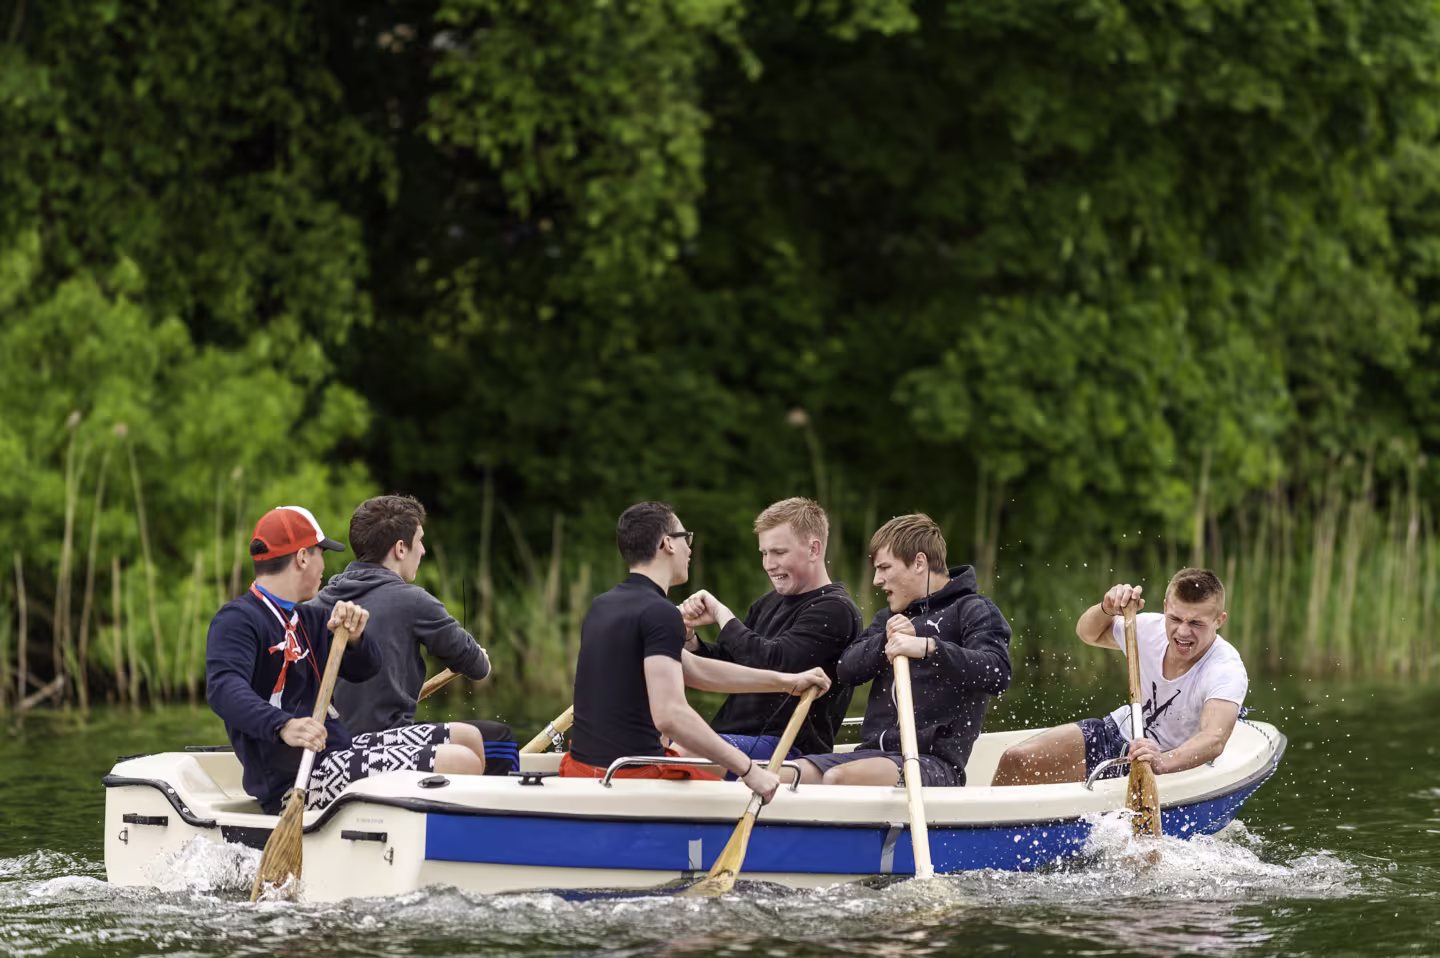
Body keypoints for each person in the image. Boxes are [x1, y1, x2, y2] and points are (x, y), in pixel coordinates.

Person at [205, 505, 486, 814]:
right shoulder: (238, 619)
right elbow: (224, 689)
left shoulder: (309, 619)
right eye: (320, 554)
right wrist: (283, 725)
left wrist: (355, 639)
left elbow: (366, 668)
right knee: (461, 762)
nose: (324, 565)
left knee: (469, 738)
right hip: (297, 779)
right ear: (302, 558)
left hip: (339, 750)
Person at [561, 501, 832, 804]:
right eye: (685, 537)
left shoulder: (603, 604)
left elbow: (694, 669)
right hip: (633, 777)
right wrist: (748, 771)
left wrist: (785, 681)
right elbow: (671, 716)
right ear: (667, 544)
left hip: (579, 769)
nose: (690, 548)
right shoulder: (658, 612)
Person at [795, 514, 1012, 787]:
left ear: (919, 562)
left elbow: (997, 673)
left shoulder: (973, 610)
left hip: (934, 764)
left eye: (884, 567)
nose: (876, 580)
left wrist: (927, 647)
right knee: (787, 776)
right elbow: (846, 669)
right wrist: (884, 642)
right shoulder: (888, 618)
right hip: (872, 754)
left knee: (839, 779)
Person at [312, 494, 518, 775]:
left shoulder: (315, 604)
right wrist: (481, 657)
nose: (422, 551)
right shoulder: (414, 601)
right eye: (419, 540)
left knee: (473, 739)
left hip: (329, 745)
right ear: (400, 548)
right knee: (499, 740)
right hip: (376, 746)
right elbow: (478, 668)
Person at [990, 568, 1249, 786]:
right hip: (1117, 734)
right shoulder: (1146, 628)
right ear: (1165, 608)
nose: (1182, 632)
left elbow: (1213, 740)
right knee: (1015, 759)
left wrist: (1161, 761)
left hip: (1169, 762)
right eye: (1175, 618)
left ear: (1219, 620)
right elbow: (1087, 633)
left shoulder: (1225, 668)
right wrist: (1107, 608)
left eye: (1196, 623)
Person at [679, 497, 861, 764]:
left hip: (788, 750)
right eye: (764, 553)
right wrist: (690, 640)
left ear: (814, 549)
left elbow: (774, 663)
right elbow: (734, 665)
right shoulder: (767, 603)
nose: (769, 564)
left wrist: (722, 614)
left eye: (779, 552)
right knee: (657, 740)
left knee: (684, 751)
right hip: (736, 738)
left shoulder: (835, 610)